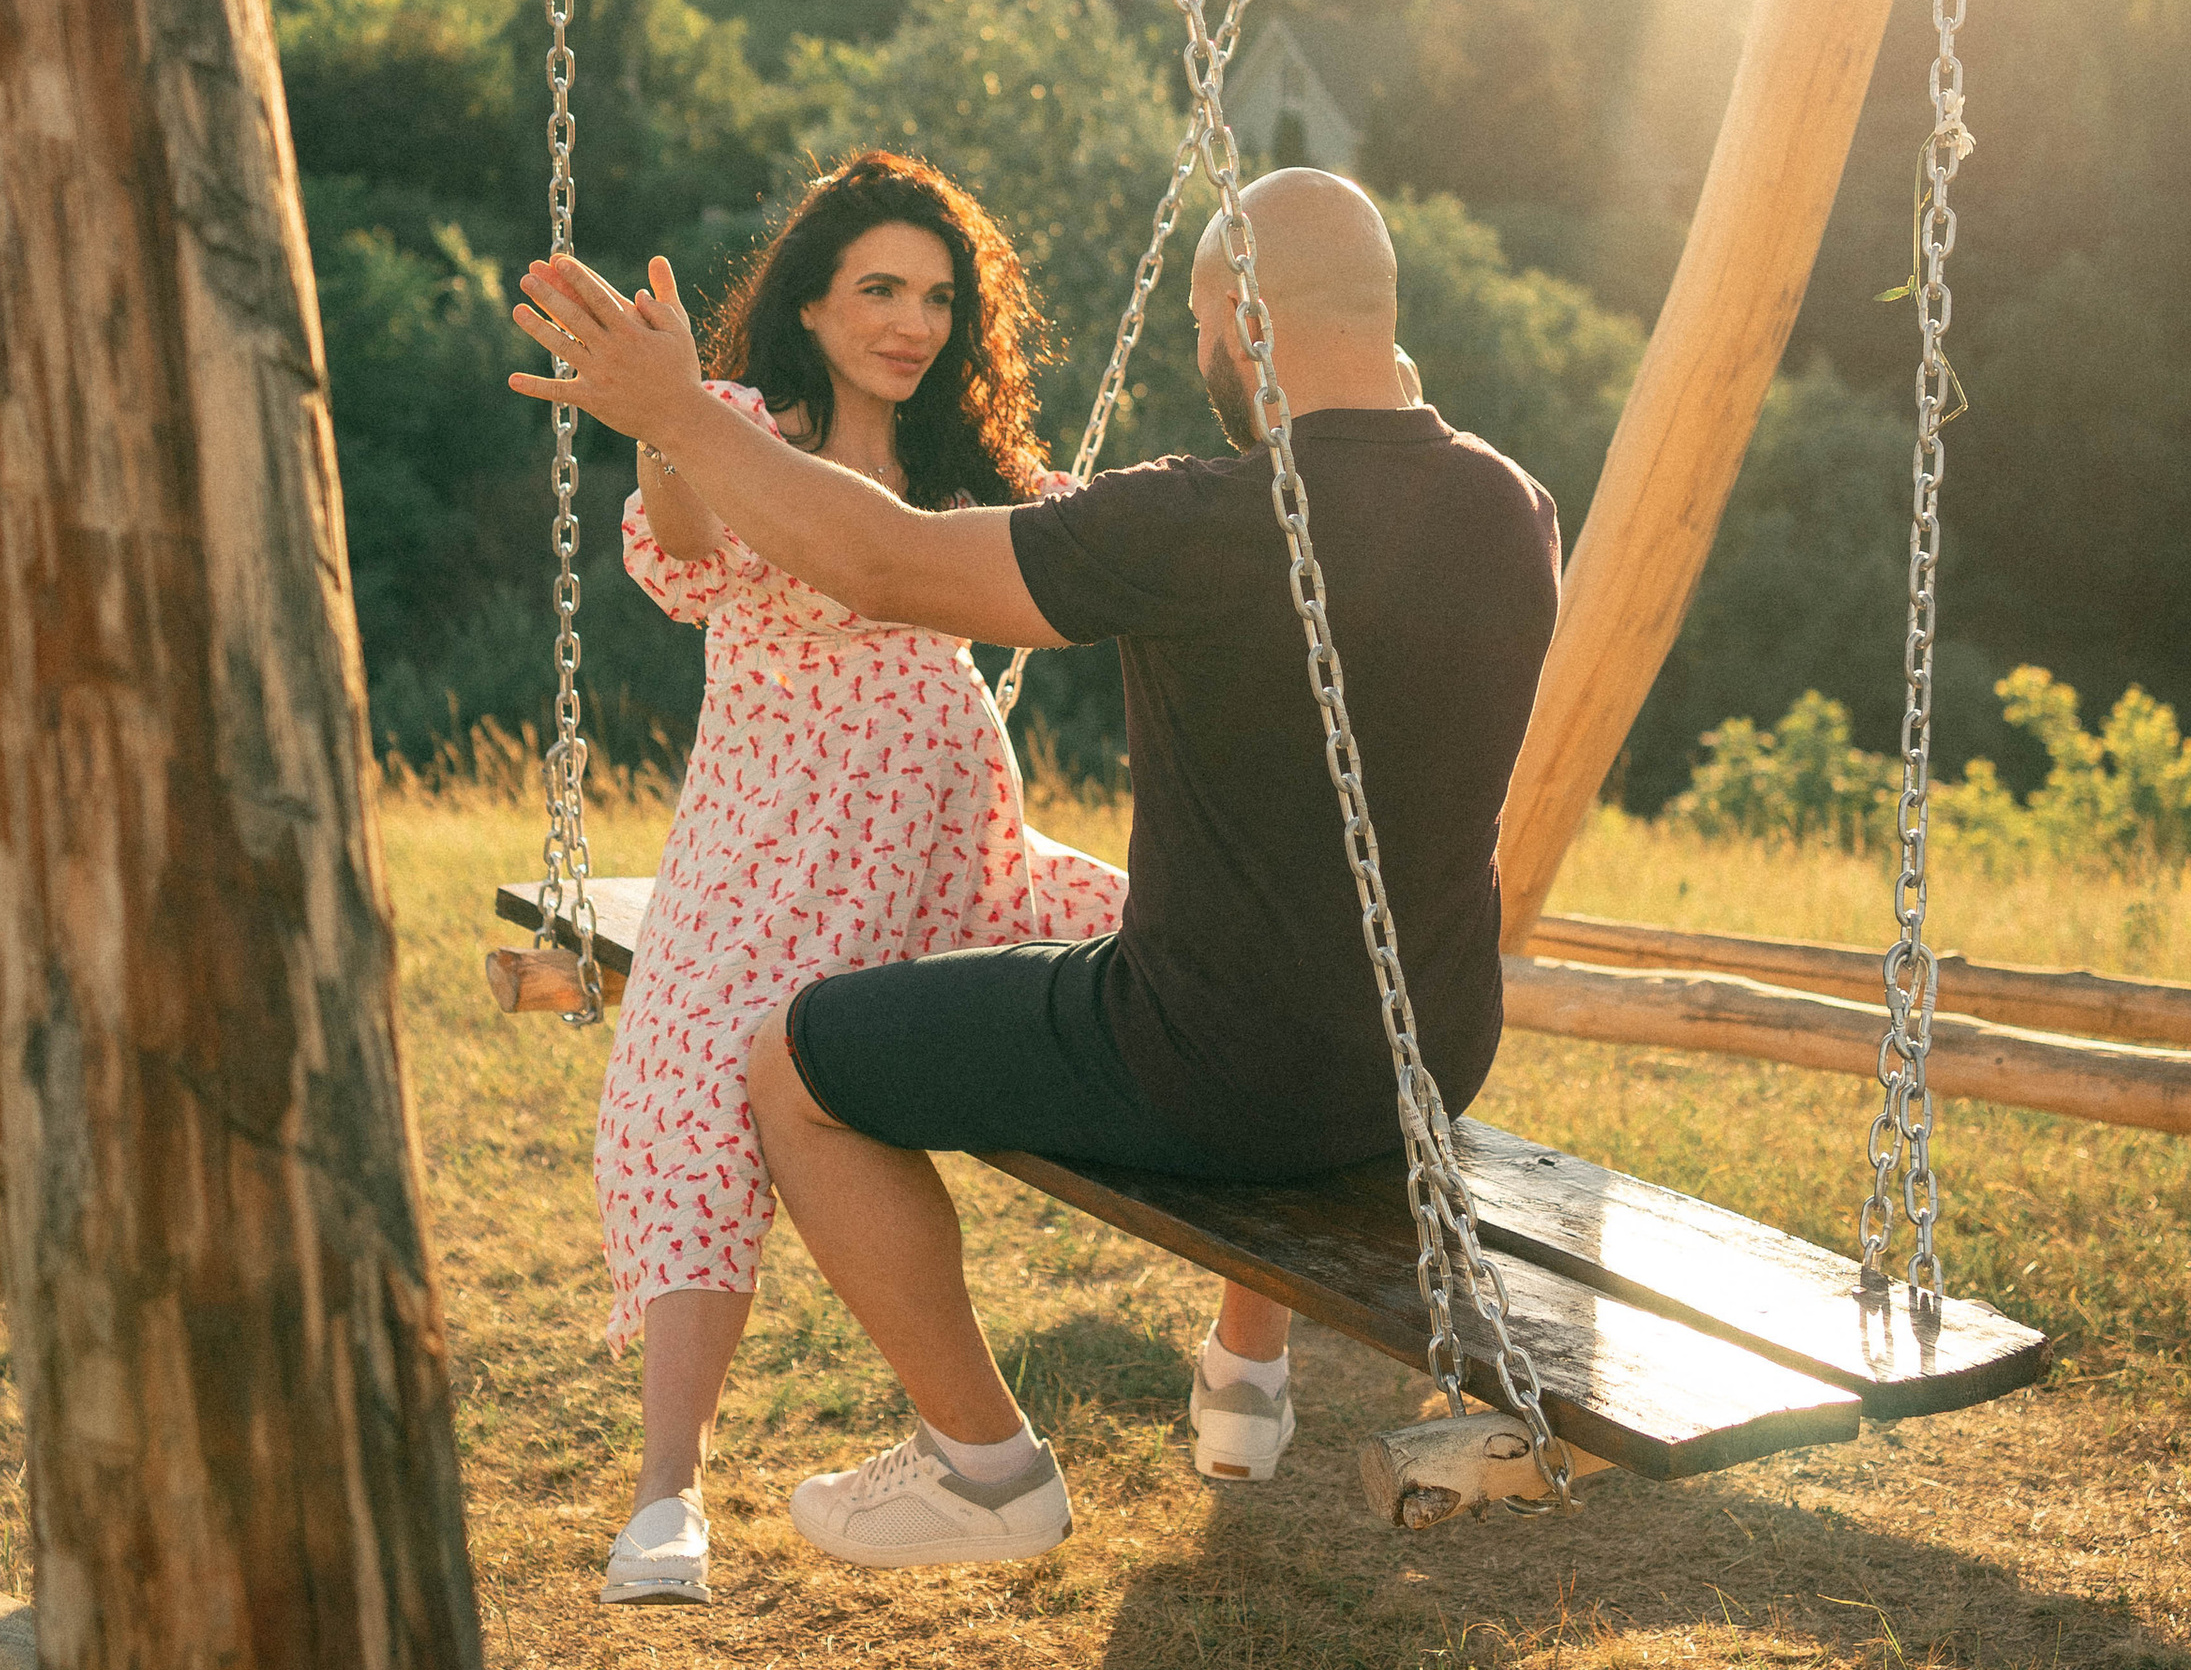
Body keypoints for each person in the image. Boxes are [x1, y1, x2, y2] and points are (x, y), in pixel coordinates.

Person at [509, 169, 1560, 1574]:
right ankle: (1243, 1372)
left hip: (1208, 1060)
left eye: (1204, 327)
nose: (1201, 356)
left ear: (1243, 322)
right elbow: (1374, 444)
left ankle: (984, 1470)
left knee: (793, 1063)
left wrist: (677, 413)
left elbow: (888, 566)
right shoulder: (1510, 506)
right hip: (1424, 1061)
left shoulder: (1197, 524)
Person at [564, 151, 1123, 1604]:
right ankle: (669, 1492)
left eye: (938, 298)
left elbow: (1090, 548)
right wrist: (664, 418)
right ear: (809, 304)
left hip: (952, 855)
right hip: (773, 849)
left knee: (1179, 947)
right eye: (880, 288)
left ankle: (1249, 1362)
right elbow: (683, 546)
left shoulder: (967, 463)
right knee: (693, 1085)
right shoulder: (740, 430)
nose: (912, 323)